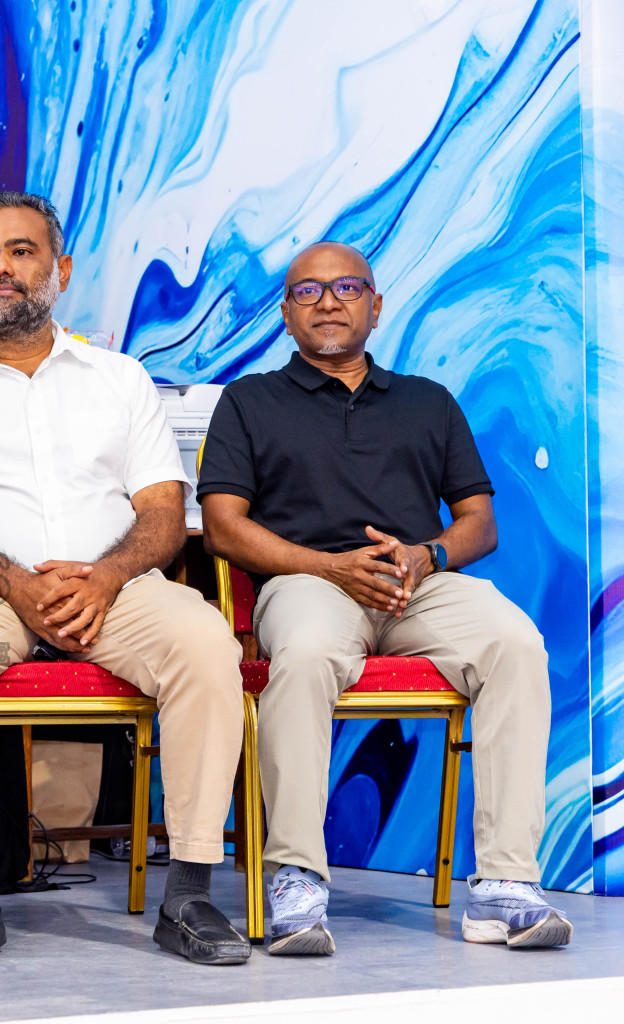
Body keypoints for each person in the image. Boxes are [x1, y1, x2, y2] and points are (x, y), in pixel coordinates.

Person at [0, 191, 250, 969]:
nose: (0, 268)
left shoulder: (120, 379)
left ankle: (190, 893)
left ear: (60, 269)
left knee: (206, 643)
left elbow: (160, 511)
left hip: (111, 586)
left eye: (20, 250)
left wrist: (104, 578)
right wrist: (15, 585)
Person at [198, 241, 570, 954]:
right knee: (303, 655)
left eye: (346, 287)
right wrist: (331, 568)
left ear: (375, 303)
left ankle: (503, 888)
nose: (329, 301)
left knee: (516, 644)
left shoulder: (428, 402)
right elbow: (222, 529)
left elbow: (479, 523)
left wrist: (425, 555)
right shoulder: (249, 402)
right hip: (307, 582)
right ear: (284, 313)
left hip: (416, 585)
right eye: (308, 291)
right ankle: (296, 878)